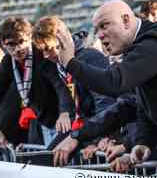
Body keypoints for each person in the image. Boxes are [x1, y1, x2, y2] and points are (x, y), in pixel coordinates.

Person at [55, 0, 157, 171]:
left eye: (104, 26)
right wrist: (144, 142)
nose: (100, 35)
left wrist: (71, 63)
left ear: (126, 20)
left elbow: (114, 83)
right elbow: (137, 105)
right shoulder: (142, 51)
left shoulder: (155, 40)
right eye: (97, 30)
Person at [0, 17, 74, 147]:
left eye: (21, 42)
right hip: (44, 121)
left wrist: (65, 111)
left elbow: (59, 84)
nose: (17, 49)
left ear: (29, 37)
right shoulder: (8, 63)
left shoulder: (41, 53)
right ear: (3, 44)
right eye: (11, 44)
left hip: (62, 118)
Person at [32, 16, 115, 149]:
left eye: (50, 48)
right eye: (43, 50)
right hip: (82, 127)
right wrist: (65, 111)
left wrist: (97, 140)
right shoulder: (58, 63)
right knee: (48, 156)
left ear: (63, 40)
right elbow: (66, 92)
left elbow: (104, 102)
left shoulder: (90, 57)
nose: (46, 55)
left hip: (98, 130)